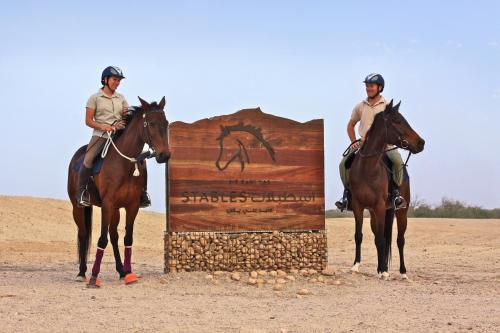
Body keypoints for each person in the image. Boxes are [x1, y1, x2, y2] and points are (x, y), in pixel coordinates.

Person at [76, 66, 151, 208]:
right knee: (89, 158)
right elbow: (88, 121)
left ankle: (143, 193)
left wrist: (127, 121)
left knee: (141, 158)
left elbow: (126, 115)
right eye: (114, 79)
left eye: (119, 80)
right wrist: (104, 126)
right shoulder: (94, 98)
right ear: (105, 80)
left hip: (119, 135)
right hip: (101, 135)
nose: (117, 82)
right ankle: (81, 193)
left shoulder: (121, 98)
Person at [335, 73, 406, 211]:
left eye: (371, 86)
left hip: (385, 145)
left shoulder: (386, 106)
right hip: (363, 144)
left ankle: (396, 194)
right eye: (367, 86)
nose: (368, 88)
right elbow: (350, 125)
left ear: (379, 87)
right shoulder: (360, 106)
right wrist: (353, 141)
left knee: (398, 162)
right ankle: (346, 195)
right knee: (343, 164)